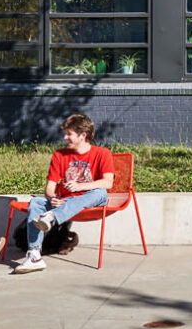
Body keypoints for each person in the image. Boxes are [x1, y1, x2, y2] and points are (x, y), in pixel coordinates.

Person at [12, 113, 115, 274]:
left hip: (91, 200)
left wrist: (81, 186)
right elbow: (49, 188)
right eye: (65, 133)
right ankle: (34, 255)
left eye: (69, 134)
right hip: (63, 203)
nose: (65, 137)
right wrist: (53, 198)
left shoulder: (102, 153)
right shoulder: (59, 155)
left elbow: (108, 182)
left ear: (83, 135)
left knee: (100, 191)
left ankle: (52, 216)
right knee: (36, 202)